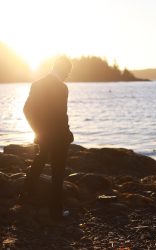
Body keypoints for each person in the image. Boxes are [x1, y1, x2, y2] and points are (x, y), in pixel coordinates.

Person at [19, 56, 74, 220]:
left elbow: (27, 110)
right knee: (58, 174)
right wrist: (67, 134)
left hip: (44, 136)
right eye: (68, 71)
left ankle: (24, 198)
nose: (68, 75)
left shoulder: (37, 84)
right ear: (62, 69)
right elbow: (61, 116)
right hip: (58, 137)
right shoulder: (62, 88)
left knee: (39, 162)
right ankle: (55, 212)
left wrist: (38, 132)